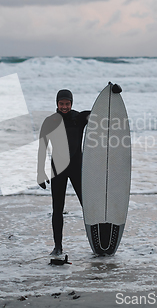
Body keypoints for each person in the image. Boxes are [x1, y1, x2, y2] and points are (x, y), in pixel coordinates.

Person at [36, 89, 91, 256]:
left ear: (72, 103)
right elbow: (42, 147)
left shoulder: (80, 118)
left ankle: (99, 242)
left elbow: (103, 113)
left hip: (77, 167)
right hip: (57, 169)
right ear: (57, 104)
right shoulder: (50, 121)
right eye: (61, 104)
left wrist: (113, 93)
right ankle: (57, 246)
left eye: (67, 104)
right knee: (57, 208)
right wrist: (40, 172)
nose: (65, 107)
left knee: (88, 207)